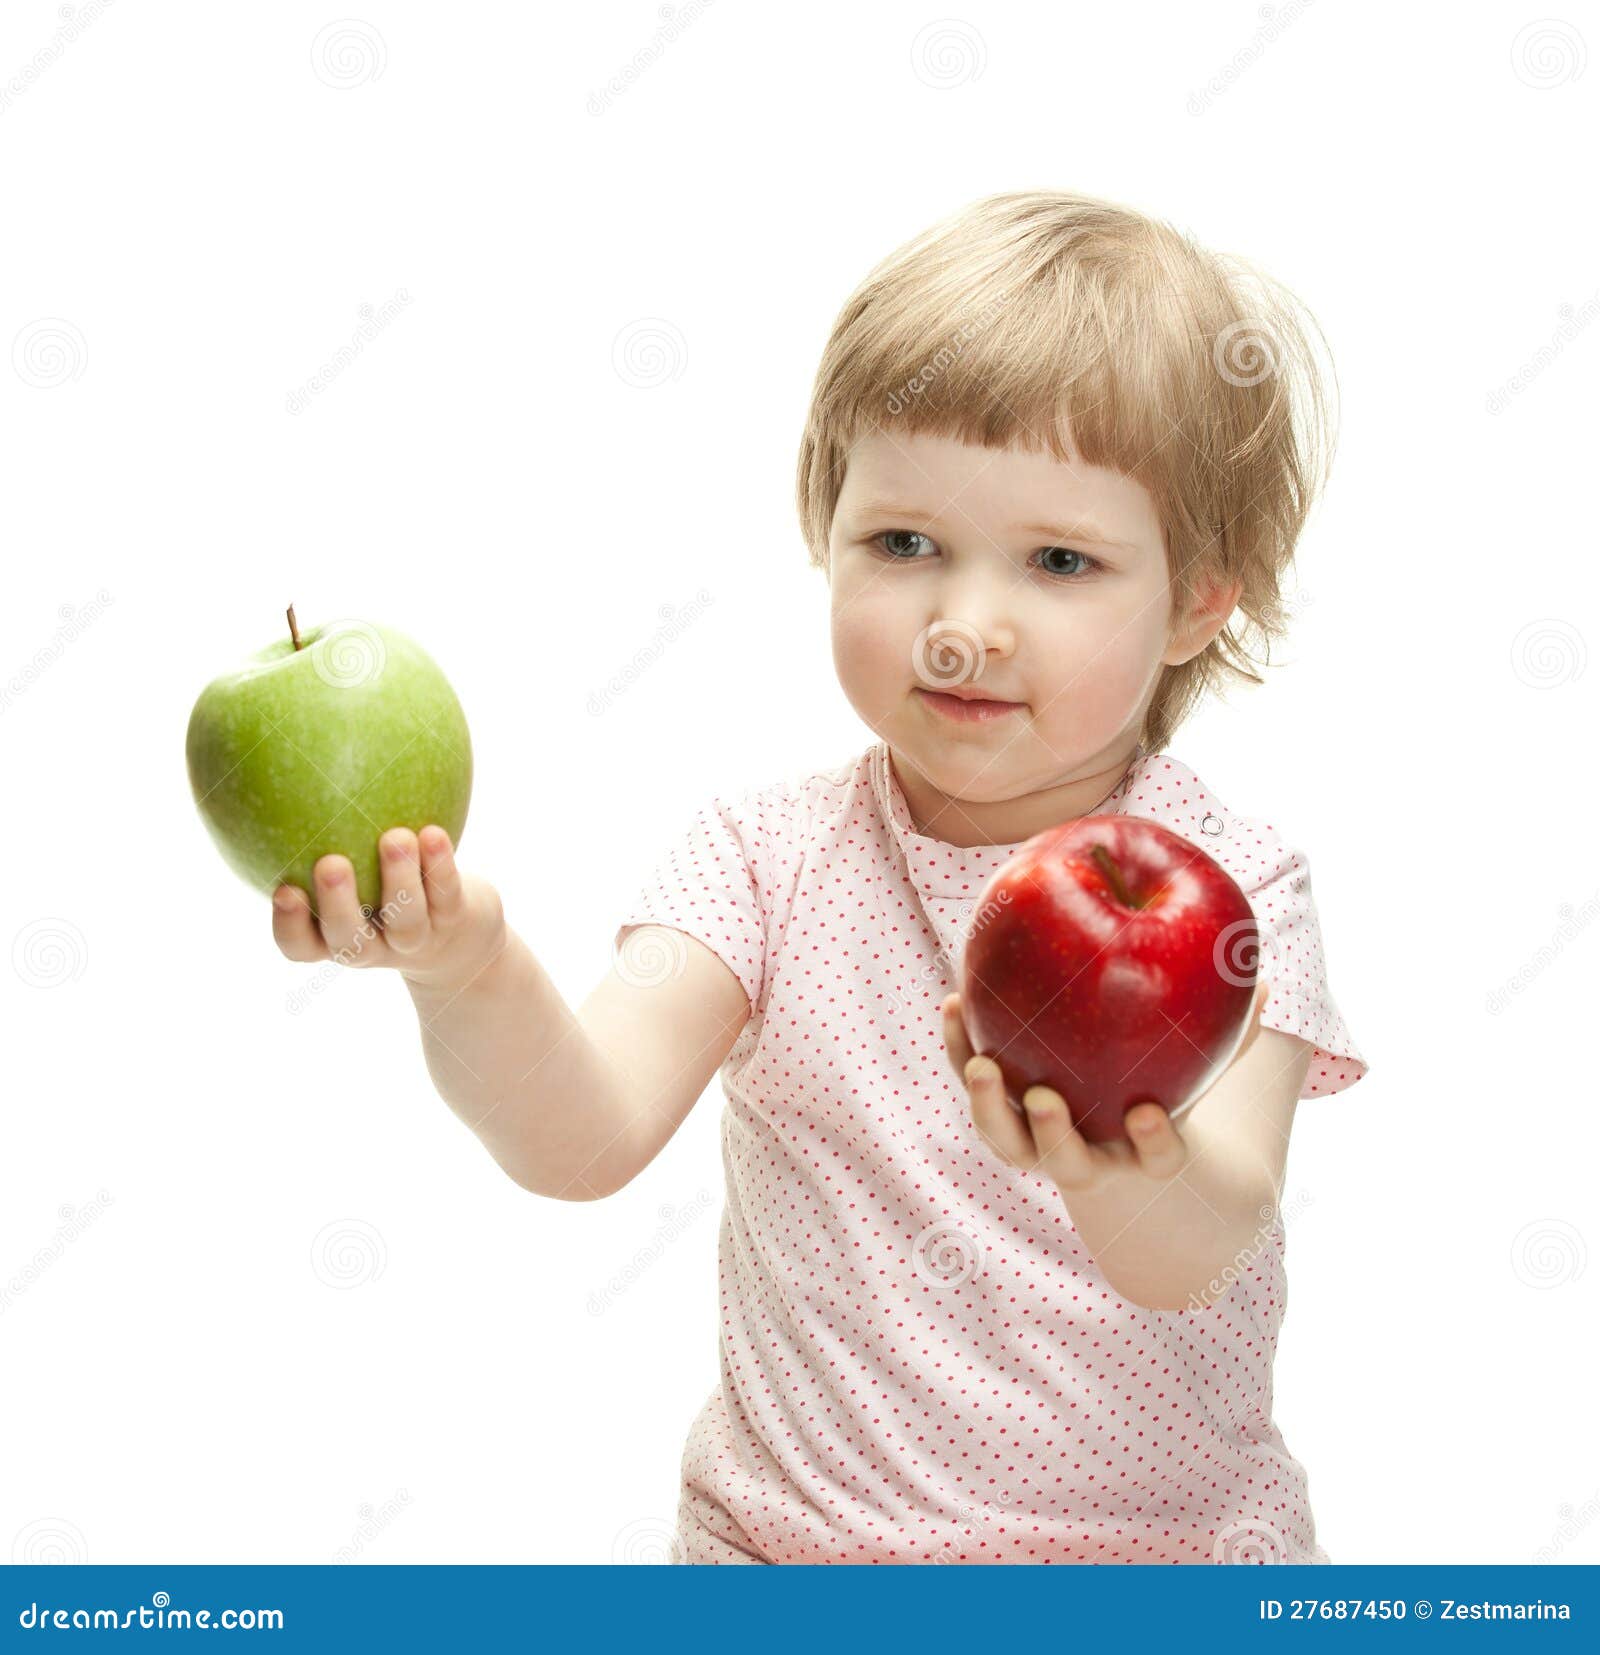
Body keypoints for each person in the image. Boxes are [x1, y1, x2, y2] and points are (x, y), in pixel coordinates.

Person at [272, 189, 1369, 1564]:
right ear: (825, 527)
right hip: (790, 1569)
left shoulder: (1241, 895)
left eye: (1060, 561)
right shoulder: (762, 859)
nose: (964, 625)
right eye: (905, 544)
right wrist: (468, 970)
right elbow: (581, 1136)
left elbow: (1196, 1248)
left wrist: (1103, 1153)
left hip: (1164, 1581)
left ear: (1202, 595)